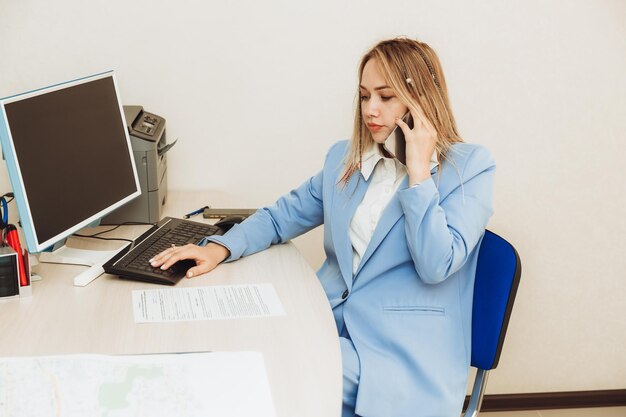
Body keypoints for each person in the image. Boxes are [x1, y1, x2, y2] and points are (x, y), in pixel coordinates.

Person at [150, 37, 495, 417]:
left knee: (258, 369)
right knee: (232, 342)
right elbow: (283, 215)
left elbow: (437, 265)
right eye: (364, 97)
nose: (371, 110)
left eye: (385, 96)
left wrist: (418, 173)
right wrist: (219, 248)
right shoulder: (344, 160)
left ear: (421, 99)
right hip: (326, 320)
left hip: (399, 357)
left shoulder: (470, 168)